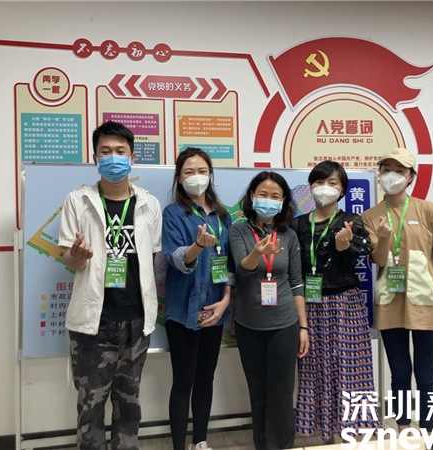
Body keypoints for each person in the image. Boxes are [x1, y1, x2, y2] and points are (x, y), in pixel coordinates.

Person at [58, 121, 162, 450]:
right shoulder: (78, 200)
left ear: (132, 158)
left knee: (129, 403)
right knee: (90, 404)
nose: (113, 157)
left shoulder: (149, 204)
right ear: (95, 158)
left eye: (120, 151)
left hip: (136, 320)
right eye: (105, 151)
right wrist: (77, 256)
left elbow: (152, 257)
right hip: (94, 322)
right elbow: (70, 260)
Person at [361, 148, 433, 446]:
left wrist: (430, 279)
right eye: (386, 169)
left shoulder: (430, 211)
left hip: (427, 305)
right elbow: (379, 260)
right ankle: (404, 429)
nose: (391, 176)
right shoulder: (370, 216)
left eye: (399, 171)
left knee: (427, 375)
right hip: (391, 305)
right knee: (400, 373)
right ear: (379, 175)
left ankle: (429, 431)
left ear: (411, 177)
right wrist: (384, 238)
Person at [291, 161, 378, 443]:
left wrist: (343, 247)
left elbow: (352, 262)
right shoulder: (297, 224)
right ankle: (324, 435)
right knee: (314, 370)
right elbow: (295, 270)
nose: (325, 188)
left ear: (342, 190)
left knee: (350, 369)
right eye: (319, 182)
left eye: (332, 183)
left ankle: (353, 434)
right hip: (310, 305)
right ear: (310, 186)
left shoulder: (351, 221)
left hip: (345, 305)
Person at [228, 171, 309, 450]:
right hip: (249, 323)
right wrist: (257, 253)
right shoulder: (238, 231)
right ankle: (262, 445)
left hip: (284, 324)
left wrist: (303, 327)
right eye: (263, 194)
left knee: (282, 392)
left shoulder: (289, 235)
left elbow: (297, 282)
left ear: (283, 200)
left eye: (275, 196)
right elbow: (243, 270)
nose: (268, 200)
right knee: (258, 391)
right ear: (252, 196)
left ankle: (282, 446)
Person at [161, 148, 235, 450]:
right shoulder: (173, 213)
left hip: (215, 309)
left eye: (202, 171)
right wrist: (197, 246)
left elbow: (229, 264)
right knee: (183, 381)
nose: (196, 177)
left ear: (210, 174)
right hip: (183, 311)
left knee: (206, 378)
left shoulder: (223, 215)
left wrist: (226, 301)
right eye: (189, 172)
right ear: (179, 178)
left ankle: (201, 441)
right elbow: (176, 257)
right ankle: (180, 446)